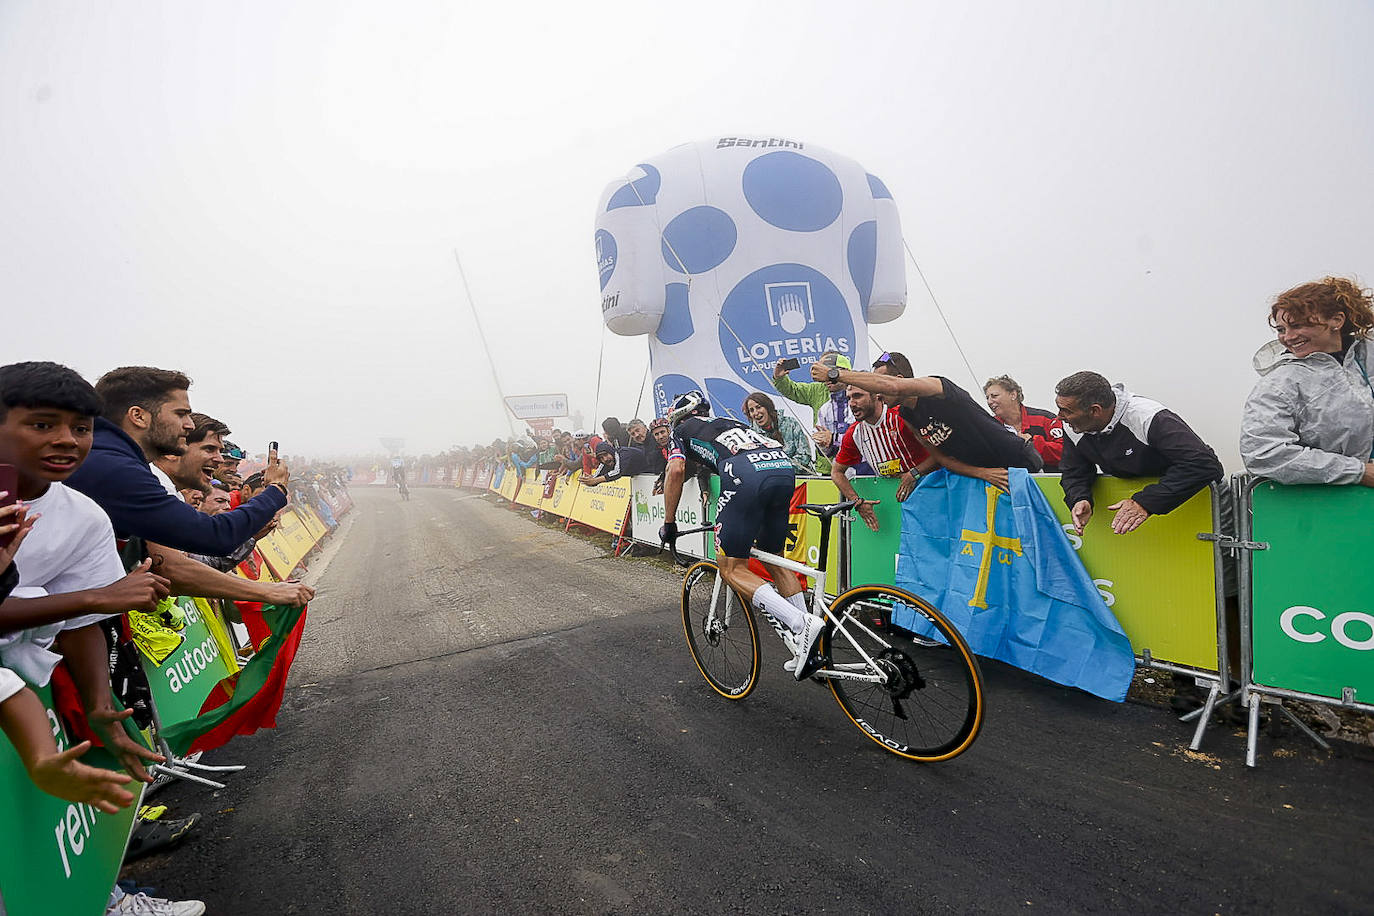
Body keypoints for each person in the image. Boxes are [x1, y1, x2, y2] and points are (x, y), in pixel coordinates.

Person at [658, 391, 826, 679]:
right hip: (781, 468)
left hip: (745, 475)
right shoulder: (728, 422)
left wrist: (670, 522)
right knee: (775, 559)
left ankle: (800, 624)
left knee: (732, 567)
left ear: (677, 416)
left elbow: (675, 469)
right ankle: (807, 646)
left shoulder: (682, 430)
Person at [812, 362, 1043, 491]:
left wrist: (836, 374)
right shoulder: (907, 415)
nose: (878, 393)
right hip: (988, 476)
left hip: (1018, 462)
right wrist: (983, 473)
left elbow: (892, 386)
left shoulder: (937, 386)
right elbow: (943, 459)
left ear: (901, 379)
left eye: (878, 385)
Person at [1240, 276, 1374, 486]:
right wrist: (1358, 472)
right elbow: (1263, 453)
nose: (1289, 337)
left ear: (1336, 321)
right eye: (1281, 330)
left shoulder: (1369, 354)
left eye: (1298, 325)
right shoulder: (1279, 384)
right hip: (1334, 508)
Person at [1055, 371, 1223, 535]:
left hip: (1201, 511)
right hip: (1156, 516)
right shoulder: (1074, 427)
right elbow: (1074, 471)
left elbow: (1205, 464)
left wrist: (1145, 502)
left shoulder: (1146, 416)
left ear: (1095, 410)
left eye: (1066, 411)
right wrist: (1079, 498)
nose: (1059, 417)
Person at [830, 385, 934, 531]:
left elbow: (942, 454)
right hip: (894, 503)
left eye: (858, 396)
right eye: (849, 398)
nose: (852, 404)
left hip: (931, 494)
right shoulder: (854, 433)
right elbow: (836, 472)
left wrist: (914, 473)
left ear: (877, 395)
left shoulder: (901, 416)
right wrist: (857, 502)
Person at [769, 352, 855, 473]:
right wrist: (779, 377)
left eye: (831, 371)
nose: (827, 377)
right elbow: (793, 390)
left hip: (857, 467)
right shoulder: (817, 390)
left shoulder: (861, 392)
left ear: (845, 371)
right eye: (823, 372)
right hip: (827, 467)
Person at [984, 375, 1064, 471]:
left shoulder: (1045, 419)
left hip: (1050, 483)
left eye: (994, 396)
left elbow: (1065, 453)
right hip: (1007, 484)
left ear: (1013, 395)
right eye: (987, 398)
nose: (989, 401)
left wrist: (1032, 444)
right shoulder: (989, 426)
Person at [742, 391, 816, 474]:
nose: (756, 413)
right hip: (769, 480)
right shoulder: (751, 434)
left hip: (801, 478)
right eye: (751, 410)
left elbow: (804, 456)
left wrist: (779, 469)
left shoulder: (791, 423)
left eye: (758, 407)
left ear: (768, 407)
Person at [581, 440, 648, 486]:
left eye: (606, 454)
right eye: (601, 458)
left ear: (611, 452)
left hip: (651, 471)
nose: (605, 459)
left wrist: (596, 480)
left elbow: (617, 472)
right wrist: (589, 480)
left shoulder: (623, 454)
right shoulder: (605, 461)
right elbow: (595, 478)